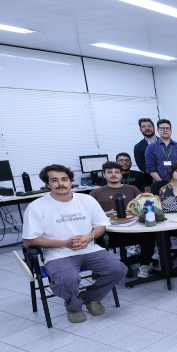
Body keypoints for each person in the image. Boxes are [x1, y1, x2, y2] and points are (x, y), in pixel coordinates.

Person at [22, 165, 126, 324]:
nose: (61, 184)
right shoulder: (37, 207)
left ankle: (91, 297)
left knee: (118, 269)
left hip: (89, 248)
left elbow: (101, 225)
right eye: (54, 180)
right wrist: (64, 243)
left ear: (71, 181)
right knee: (66, 279)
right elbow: (29, 240)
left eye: (64, 179)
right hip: (58, 254)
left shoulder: (87, 200)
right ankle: (73, 305)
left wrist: (89, 237)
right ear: (47, 183)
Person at [90, 161, 157, 278]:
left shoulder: (132, 189)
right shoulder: (95, 193)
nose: (113, 175)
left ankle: (144, 265)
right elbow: (89, 215)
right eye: (109, 172)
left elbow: (142, 206)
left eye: (116, 172)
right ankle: (104, 268)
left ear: (121, 175)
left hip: (134, 229)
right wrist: (104, 213)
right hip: (110, 233)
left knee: (150, 233)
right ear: (104, 175)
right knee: (98, 238)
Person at [144, 119, 177, 186]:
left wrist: (176, 181)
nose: (165, 130)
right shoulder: (151, 147)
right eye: (162, 128)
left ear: (171, 131)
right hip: (160, 184)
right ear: (157, 130)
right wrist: (162, 183)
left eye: (167, 128)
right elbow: (150, 168)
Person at [133, 118, 156, 189]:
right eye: (144, 126)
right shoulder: (138, 147)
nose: (147, 128)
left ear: (154, 128)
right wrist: (155, 174)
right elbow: (141, 165)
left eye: (149, 126)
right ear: (140, 129)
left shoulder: (165, 142)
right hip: (151, 180)